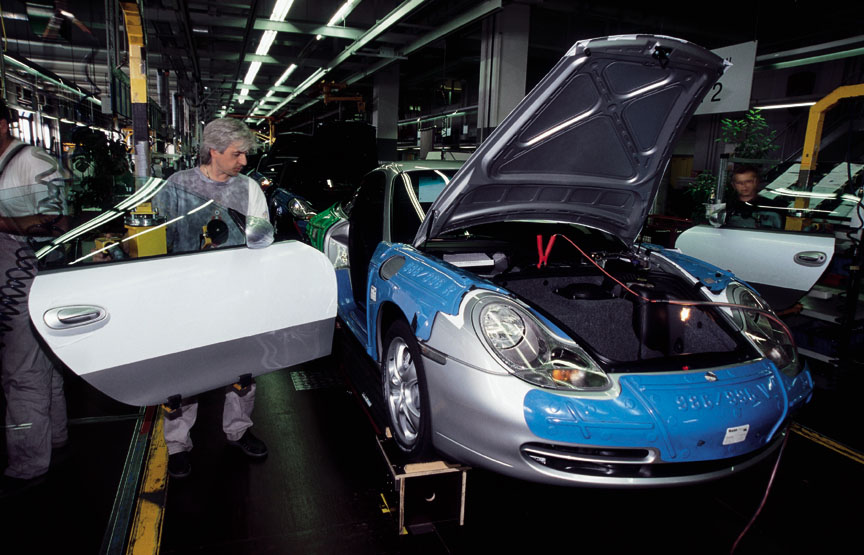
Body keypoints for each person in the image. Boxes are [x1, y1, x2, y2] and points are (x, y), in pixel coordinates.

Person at [150, 118, 273, 479]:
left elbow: (263, 238)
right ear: (214, 151)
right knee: (182, 373)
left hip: (235, 295)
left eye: (246, 154)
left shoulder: (249, 189)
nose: (243, 162)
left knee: (243, 369)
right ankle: (177, 445)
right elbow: (157, 239)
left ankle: (238, 429)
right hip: (185, 296)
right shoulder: (177, 186)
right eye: (237, 154)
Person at [0, 102, 69, 497]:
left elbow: (57, 221)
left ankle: (28, 462)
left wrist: (7, 223)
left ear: (5, 123)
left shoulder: (33, 162)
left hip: (25, 270)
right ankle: (53, 437)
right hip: (14, 267)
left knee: (21, 371)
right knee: (40, 366)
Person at [725, 164, 787, 229]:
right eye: (739, 183)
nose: (744, 186)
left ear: (756, 182)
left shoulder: (771, 207)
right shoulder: (728, 207)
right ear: (733, 185)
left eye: (748, 181)